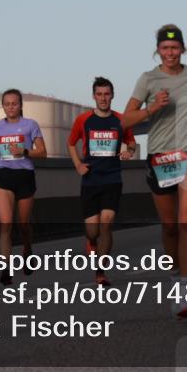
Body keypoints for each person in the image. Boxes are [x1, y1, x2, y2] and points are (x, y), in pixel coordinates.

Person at [122, 25, 187, 319]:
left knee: (186, 221)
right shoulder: (148, 79)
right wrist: (150, 109)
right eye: (165, 48)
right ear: (158, 50)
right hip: (160, 157)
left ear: (183, 49)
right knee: (170, 226)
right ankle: (175, 275)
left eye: (175, 48)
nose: (170, 53)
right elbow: (124, 120)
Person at [67, 77, 135, 286]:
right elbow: (71, 143)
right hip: (90, 180)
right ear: (94, 96)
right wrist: (78, 164)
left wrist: (129, 151)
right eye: (99, 94)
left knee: (106, 225)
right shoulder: (84, 120)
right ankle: (90, 241)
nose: (103, 98)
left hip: (112, 179)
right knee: (92, 231)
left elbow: (131, 142)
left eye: (107, 94)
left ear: (112, 95)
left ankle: (100, 272)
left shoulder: (121, 120)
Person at [0, 89, 47, 285]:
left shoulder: (30, 125)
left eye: (14, 103)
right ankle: (6, 267)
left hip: (25, 175)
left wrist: (24, 150)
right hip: (3, 174)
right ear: (3, 106)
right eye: (7, 104)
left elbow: (43, 152)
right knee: (6, 224)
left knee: (23, 225)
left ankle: (27, 251)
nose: (11, 107)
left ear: (21, 105)